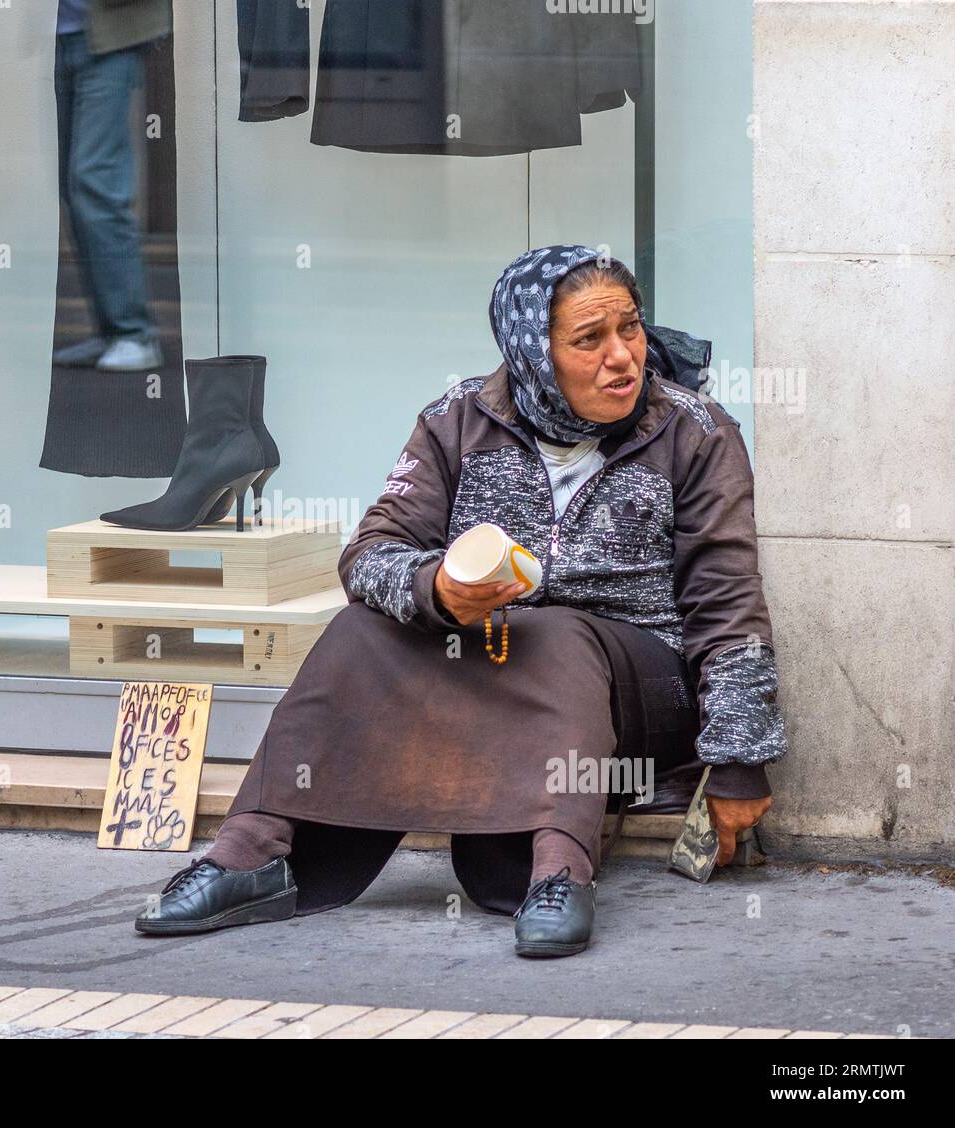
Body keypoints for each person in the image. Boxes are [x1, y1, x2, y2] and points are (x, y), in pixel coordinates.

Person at [135, 244, 787, 958]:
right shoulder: (456, 419)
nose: (623, 357)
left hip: (634, 687)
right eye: (589, 340)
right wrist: (437, 590)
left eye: (629, 328)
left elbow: (727, 604)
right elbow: (369, 554)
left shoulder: (693, 431)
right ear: (533, 350)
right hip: (491, 667)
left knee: (559, 635)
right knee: (359, 631)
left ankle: (561, 869)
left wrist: (737, 758)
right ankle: (249, 855)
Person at [52, 0, 168, 372]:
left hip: (110, 39)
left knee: (95, 182)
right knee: (73, 187)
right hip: (55, 40)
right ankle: (109, 331)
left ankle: (134, 334)